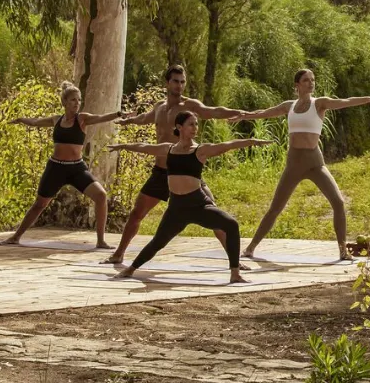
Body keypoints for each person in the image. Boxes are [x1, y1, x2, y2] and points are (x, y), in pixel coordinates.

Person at [102, 64, 249, 264]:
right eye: (175, 81)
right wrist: (128, 121)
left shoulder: (189, 106)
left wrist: (238, 112)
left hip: (185, 173)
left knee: (215, 216)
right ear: (167, 82)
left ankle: (236, 262)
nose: (179, 85)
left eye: (182, 82)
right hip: (161, 173)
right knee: (137, 213)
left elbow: (213, 111)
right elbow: (144, 118)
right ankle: (118, 254)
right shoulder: (159, 108)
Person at [240, 68, 370, 261]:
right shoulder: (289, 106)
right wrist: (243, 115)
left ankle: (343, 251)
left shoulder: (319, 104)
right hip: (294, 163)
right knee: (275, 208)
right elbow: (263, 113)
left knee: (338, 203)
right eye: (306, 80)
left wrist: (368, 99)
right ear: (297, 85)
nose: (311, 83)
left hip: (315, 163)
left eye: (313, 80)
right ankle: (250, 248)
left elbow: (345, 102)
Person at [109, 111, 271, 284]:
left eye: (196, 124)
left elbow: (228, 145)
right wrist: (123, 146)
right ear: (179, 127)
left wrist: (252, 141)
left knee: (231, 224)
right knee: (158, 242)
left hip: (198, 205)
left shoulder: (201, 150)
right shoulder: (169, 149)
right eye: (191, 124)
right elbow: (144, 147)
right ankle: (130, 269)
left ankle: (235, 273)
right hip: (176, 209)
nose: (195, 128)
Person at [0, 81, 126, 247]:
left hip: (76, 169)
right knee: (40, 204)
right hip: (56, 168)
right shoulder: (56, 120)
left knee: (101, 196)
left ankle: (101, 241)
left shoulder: (82, 119)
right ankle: (15, 237)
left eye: (79, 100)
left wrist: (119, 113)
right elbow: (36, 122)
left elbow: (101, 118)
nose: (77, 103)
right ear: (64, 102)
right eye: (73, 100)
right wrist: (21, 119)